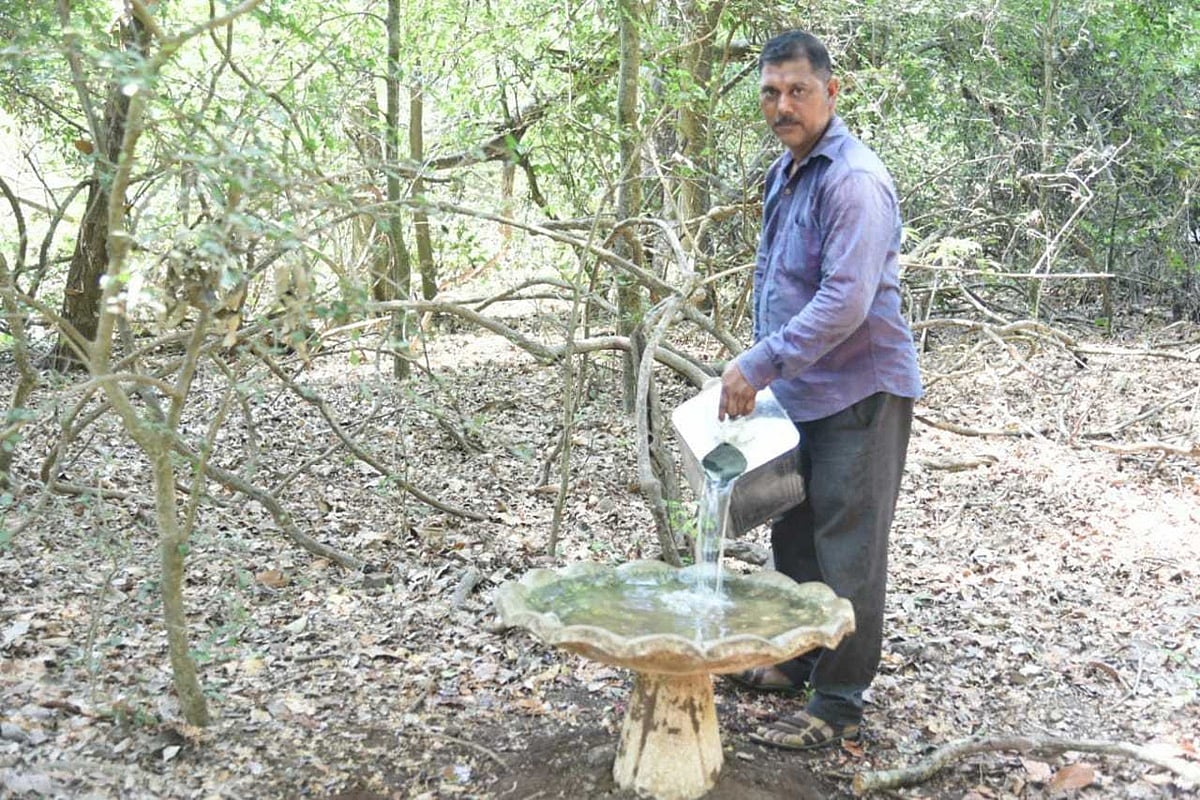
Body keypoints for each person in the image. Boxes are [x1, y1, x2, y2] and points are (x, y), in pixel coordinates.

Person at [718, 29, 923, 750]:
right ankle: (802, 659)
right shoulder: (788, 169)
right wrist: (765, 366)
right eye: (770, 93)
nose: (783, 105)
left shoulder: (853, 180)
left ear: (832, 93)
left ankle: (839, 702)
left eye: (798, 91)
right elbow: (778, 277)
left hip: (861, 392)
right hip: (803, 393)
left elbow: (846, 301)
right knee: (794, 532)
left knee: (849, 546)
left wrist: (758, 364)